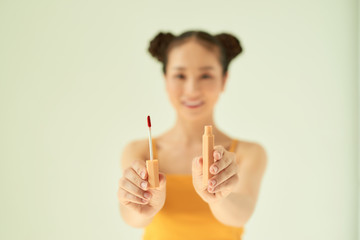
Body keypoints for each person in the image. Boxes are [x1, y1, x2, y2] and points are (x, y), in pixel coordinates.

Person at [117, 30, 268, 240]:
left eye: (206, 75)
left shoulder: (248, 153)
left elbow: (241, 215)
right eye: (180, 75)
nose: (192, 89)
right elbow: (131, 218)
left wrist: (217, 198)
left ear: (224, 80)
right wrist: (140, 206)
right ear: (166, 80)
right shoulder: (139, 150)